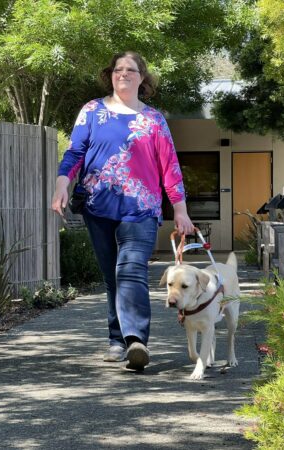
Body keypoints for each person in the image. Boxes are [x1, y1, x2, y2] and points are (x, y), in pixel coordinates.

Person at [51, 51, 194, 371]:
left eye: (131, 70)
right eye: (118, 69)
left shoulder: (154, 120)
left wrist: (180, 209)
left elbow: (169, 165)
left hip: (141, 208)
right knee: (111, 275)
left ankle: (135, 341)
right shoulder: (91, 111)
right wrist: (62, 184)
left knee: (131, 270)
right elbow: (75, 152)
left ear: (142, 78)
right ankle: (117, 340)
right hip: (97, 205)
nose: (124, 74)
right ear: (110, 74)